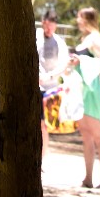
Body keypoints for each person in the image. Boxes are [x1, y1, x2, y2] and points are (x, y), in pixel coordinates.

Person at [68, 5, 100, 190]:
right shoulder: (85, 38)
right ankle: (88, 178)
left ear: (87, 19)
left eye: (80, 17)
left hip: (92, 92)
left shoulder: (96, 38)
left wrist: (81, 60)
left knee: (98, 136)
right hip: (81, 91)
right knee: (86, 135)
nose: (78, 21)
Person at [37, 8, 70, 153]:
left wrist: (49, 76)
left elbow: (63, 65)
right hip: (35, 87)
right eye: (47, 26)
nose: (49, 30)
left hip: (50, 88)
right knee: (37, 123)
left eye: (52, 27)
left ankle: (43, 156)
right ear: (43, 23)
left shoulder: (59, 43)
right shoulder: (36, 35)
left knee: (45, 124)